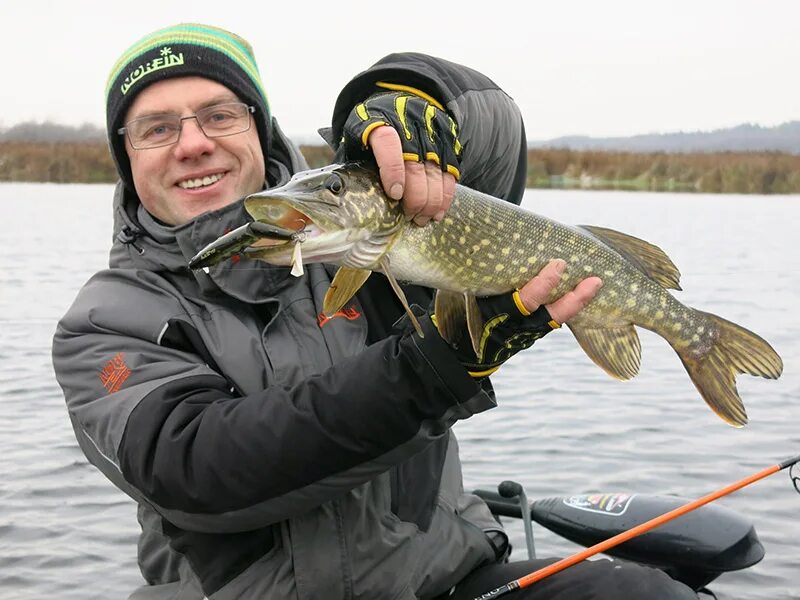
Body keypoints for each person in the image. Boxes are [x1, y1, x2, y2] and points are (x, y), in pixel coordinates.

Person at [52, 23, 698, 600]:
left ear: (259, 129)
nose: (193, 144)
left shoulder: (379, 228)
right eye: (157, 128)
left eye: (219, 115)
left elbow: (493, 127)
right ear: (126, 156)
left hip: (440, 580)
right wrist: (433, 369)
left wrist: (407, 94)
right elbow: (196, 470)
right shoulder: (106, 320)